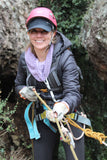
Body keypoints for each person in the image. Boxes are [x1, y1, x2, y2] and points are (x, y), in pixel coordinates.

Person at [15, 7, 84, 160]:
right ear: (28, 33)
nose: (39, 36)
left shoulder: (65, 58)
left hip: (69, 117)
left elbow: (73, 93)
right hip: (43, 118)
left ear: (52, 33)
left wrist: (63, 106)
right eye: (34, 31)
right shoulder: (24, 60)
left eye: (44, 31)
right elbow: (18, 84)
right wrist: (23, 91)